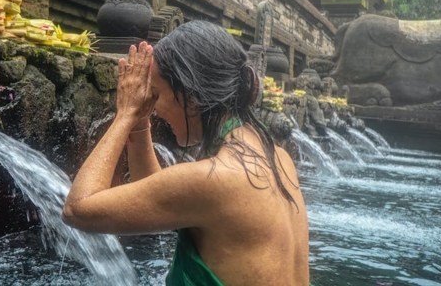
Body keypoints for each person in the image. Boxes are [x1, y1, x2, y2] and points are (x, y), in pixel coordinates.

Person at [62, 20, 309, 285]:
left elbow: (77, 209)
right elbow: (156, 193)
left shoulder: (216, 179)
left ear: (190, 98)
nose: (153, 108)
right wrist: (139, 121)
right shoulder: (278, 157)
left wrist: (124, 114)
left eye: (156, 95)